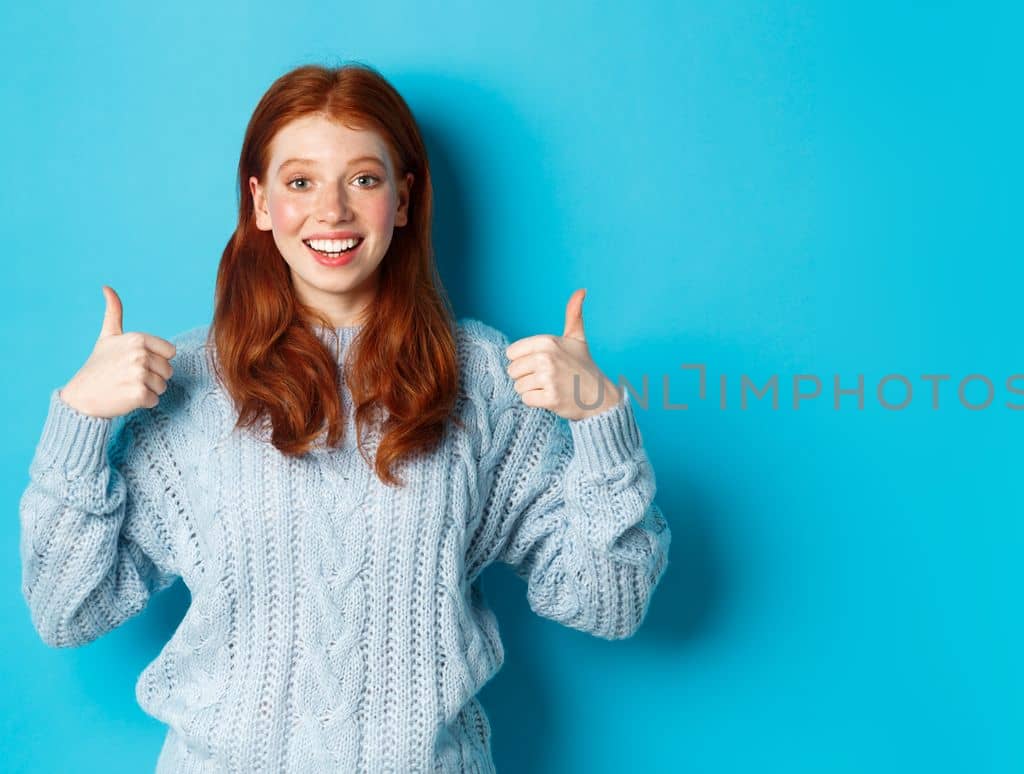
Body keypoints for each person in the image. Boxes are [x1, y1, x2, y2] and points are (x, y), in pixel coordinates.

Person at [18, 62, 671, 773]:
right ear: (261, 202)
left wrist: (601, 423)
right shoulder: (190, 385)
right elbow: (66, 611)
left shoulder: (482, 380)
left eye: (362, 179)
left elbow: (609, 604)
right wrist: (78, 422)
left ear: (402, 200)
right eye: (300, 183)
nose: (331, 211)